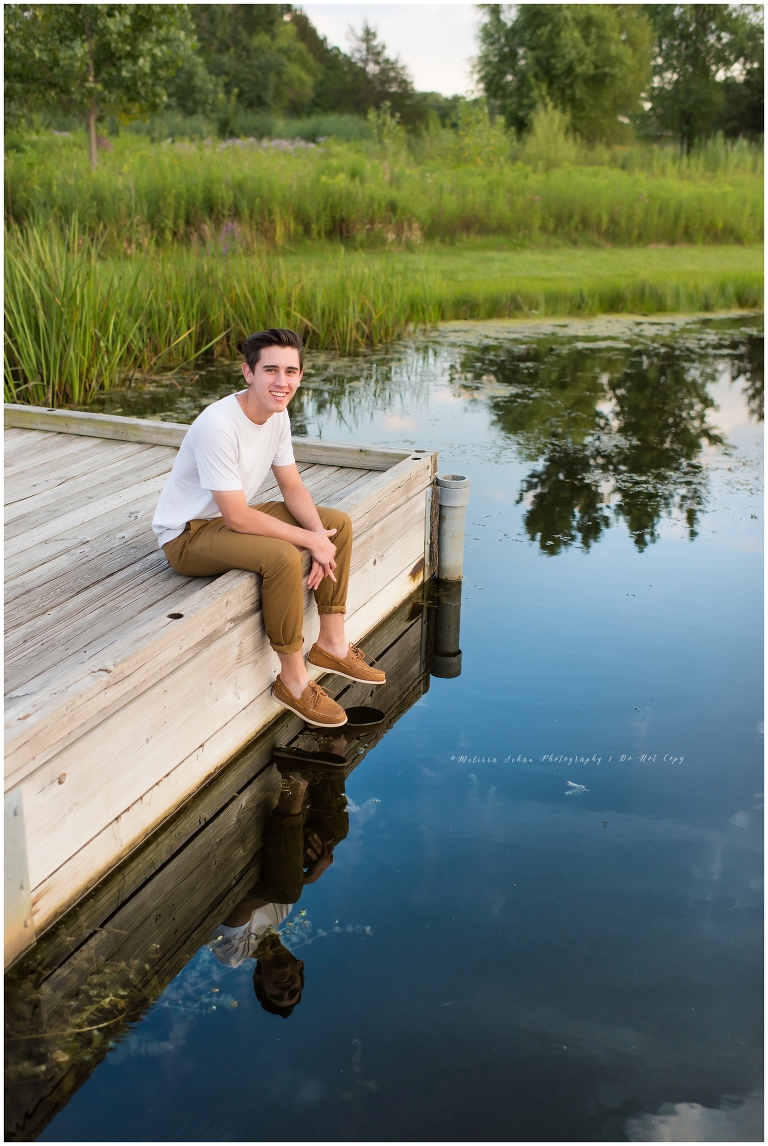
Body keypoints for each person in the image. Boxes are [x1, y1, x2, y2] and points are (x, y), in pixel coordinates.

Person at [152, 327, 385, 728]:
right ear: (248, 373)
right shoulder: (219, 426)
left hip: (228, 519)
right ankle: (293, 681)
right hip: (189, 536)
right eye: (271, 370)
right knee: (281, 556)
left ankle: (331, 644)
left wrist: (319, 535)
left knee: (337, 524)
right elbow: (238, 518)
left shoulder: (277, 414)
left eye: (291, 372)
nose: (282, 382)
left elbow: (291, 484)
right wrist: (308, 541)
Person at [211, 764, 350, 1017]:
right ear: (299, 967)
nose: (286, 989)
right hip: (269, 849)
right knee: (334, 835)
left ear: (258, 981)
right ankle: (332, 748)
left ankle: (294, 782)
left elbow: (243, 905)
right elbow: (280, 882)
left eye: (278, 994)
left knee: (290, 891)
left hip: (221, 861)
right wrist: (311, 870)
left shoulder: (233, 956)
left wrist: (303, 882)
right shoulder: (282, 914)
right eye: (294, 990)